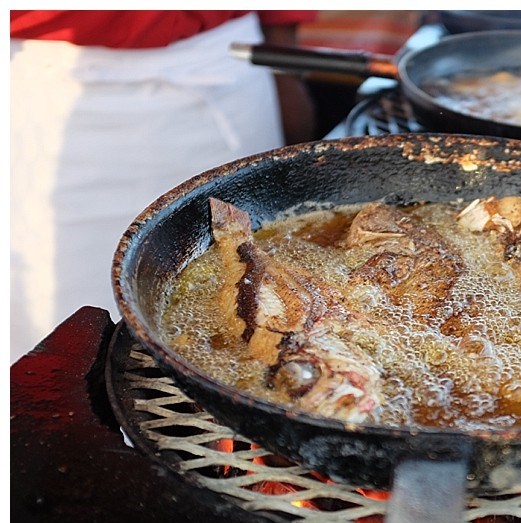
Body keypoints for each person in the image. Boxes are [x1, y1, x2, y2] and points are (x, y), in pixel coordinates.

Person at [9, 10, 317, 362]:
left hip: (227, 72)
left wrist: (286, 71)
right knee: (65, 340)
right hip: (51, 97)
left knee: (261, 328)